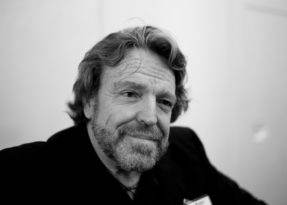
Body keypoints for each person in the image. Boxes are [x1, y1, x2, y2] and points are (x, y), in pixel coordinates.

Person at [0, 26, 266, 204]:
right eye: (130, 94)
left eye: (164, 101)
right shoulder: (20, 176)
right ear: (90, 102)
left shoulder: (186, 150)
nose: (150, 117)